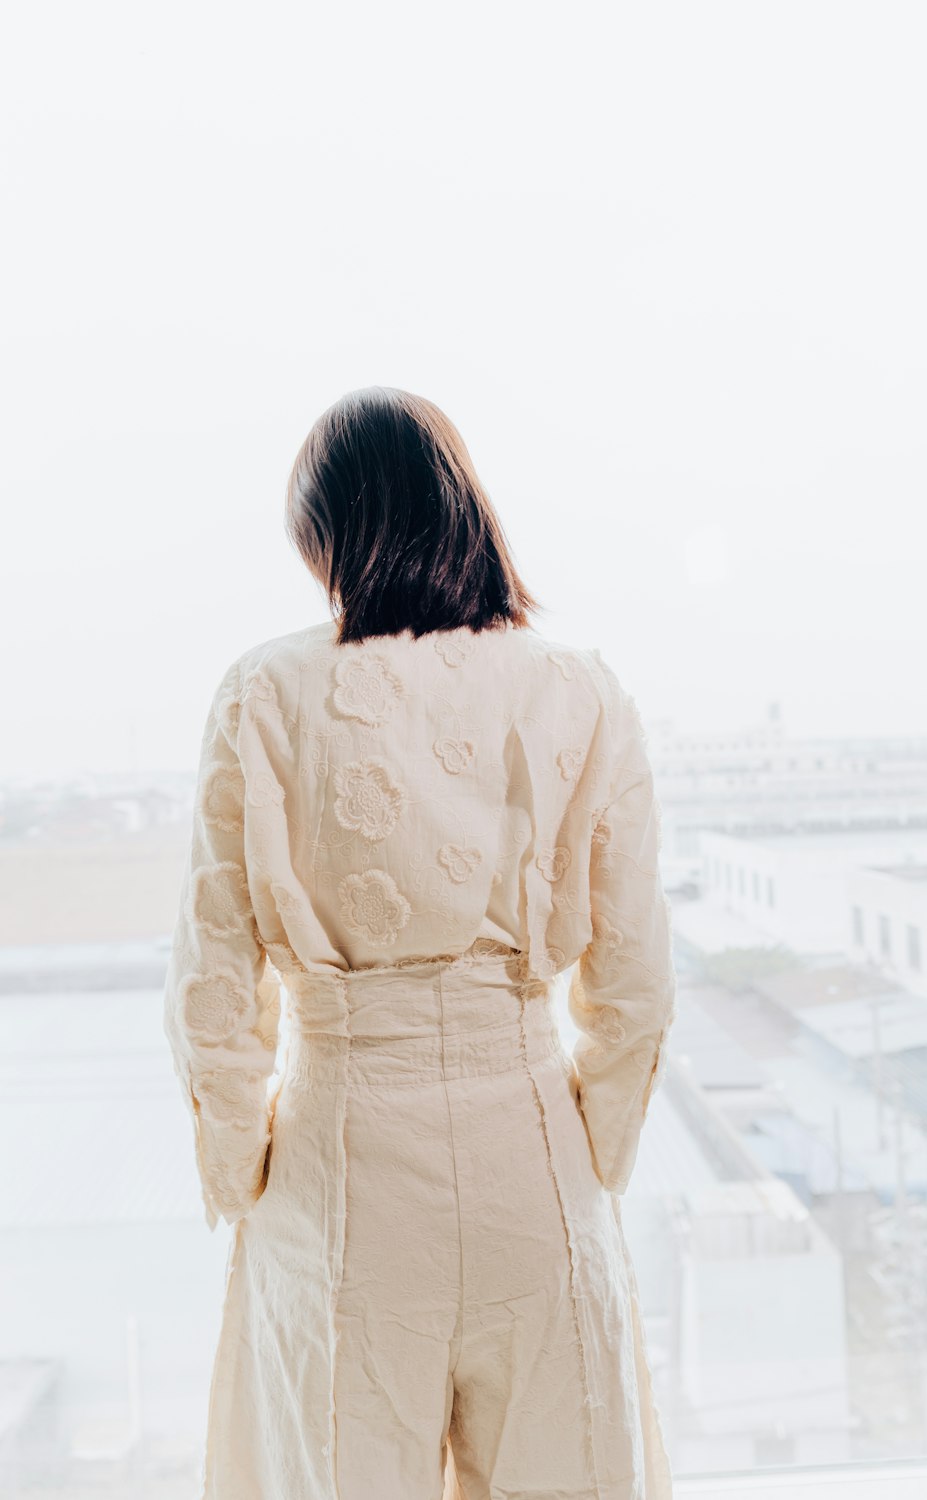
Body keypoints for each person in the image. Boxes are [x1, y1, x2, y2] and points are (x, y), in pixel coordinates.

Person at [162, 385, 677, 1499]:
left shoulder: (265, 692)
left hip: (340, 1162)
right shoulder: (577, 688)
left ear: (327, 537)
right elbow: (634, 983)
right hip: (532, 1159)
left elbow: (214, 981)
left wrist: (239, 1165)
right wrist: (594, 1150)